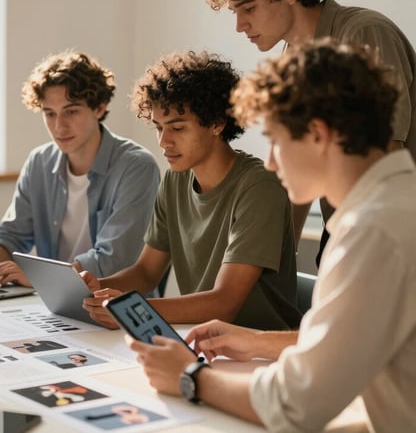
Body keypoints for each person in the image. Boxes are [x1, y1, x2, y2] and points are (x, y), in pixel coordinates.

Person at [127, 40, 416, 432]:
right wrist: (258, 341)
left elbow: (295, 406)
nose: (271, 161)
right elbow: (354, 345)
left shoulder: (373, 232)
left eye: (276, 141)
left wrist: (191, 377)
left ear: (318, 134)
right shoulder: (395, 203)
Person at [201, 0, 416, 262]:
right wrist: (280, 258)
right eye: (235, 12)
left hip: (386, 229)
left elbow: (384, 152)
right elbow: (298, 167)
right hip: (348, 223)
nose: (240, 26)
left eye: (248, 8)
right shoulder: (294, 56)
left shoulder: (363, 33)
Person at [82, 51, 301, 330]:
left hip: (259, 350)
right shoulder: (175, 180)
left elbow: (225, 303)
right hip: (201, 339)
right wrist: (93, 290)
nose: (163, 142)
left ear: (217, 124)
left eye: (177, 128)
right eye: (158, 128)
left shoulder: (259, 187)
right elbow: (146, 272)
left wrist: (131, 309)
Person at [0, 51, 160, 287]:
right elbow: (12, 236)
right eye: (49, 114)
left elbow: (114, 259)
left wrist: (41, 277)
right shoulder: (39, 162)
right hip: (53, 304)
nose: (59, 126)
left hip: (113, 308)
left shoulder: (137, 167)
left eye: (71, 111)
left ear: (99, 107)